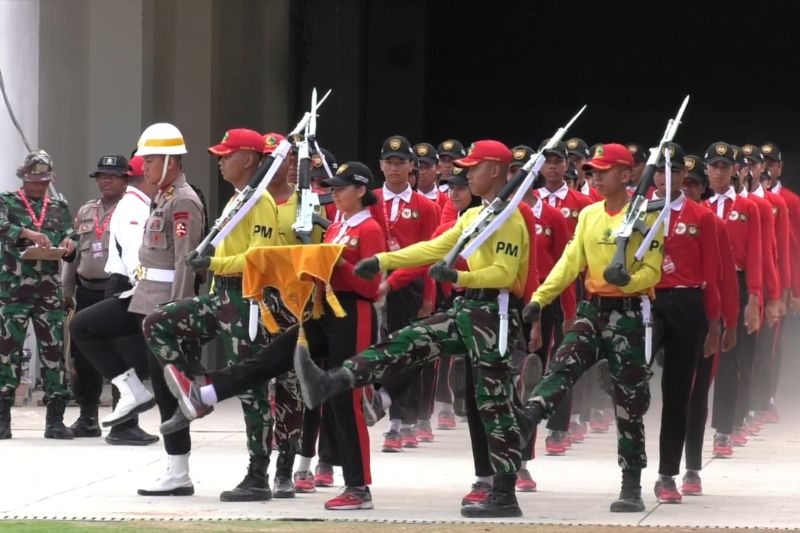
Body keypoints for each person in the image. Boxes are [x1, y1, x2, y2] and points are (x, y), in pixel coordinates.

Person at [295, 139, 532, 518]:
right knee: (408, 341)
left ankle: (504, 493)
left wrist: (458, 276)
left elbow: (504, 274)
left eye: (473, 167)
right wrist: (383, 259)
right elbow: (434, 247)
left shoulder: (509, 218)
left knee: (492, 405)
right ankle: (334, 380)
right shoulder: (475, 216)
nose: (466, 174)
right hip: (467, 310)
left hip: (494, 316)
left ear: (495, 171)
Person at [160, 161, 387, 510]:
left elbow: (370, 286)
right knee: (266, 361)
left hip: (351, 312)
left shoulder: (369, 228)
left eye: (342, 188)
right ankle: (204, 394)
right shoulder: (339, 224)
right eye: (334, 188)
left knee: (345, 399)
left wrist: (333, 262)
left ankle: (359, 487)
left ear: (361, 190)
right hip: (322, 310)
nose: (335, 194)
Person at [521, 143, 664, 513]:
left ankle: (631, 481)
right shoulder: (589, 216)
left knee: (629, 400)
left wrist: (627, 279)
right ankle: (531, 414)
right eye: (592, 171)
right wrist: (540, 298)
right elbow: (569, 263)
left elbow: (653, 271)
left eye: (603, 171)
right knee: (563, 363)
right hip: (592, 309)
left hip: (629, 315)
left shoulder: (647, 215)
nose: (595, 177)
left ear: (626, 174)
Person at [143, 128, 280, 501]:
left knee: (251, 389)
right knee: (158, 323)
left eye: (227, 155)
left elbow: (261, 259)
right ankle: (193, 388)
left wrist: (215, 261)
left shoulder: (260, 202)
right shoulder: (239, 198)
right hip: (222, 297)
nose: (220, 162)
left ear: (249, 159)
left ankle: (257, 474)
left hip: (246, 300)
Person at [648, 143, 721, 503]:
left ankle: (667, 475)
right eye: (660, 171)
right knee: (632, 378)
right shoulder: (638, 212)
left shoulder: (702, 216)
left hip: (687, 303)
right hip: (646, 300)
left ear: (683, 176)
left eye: (674, 172)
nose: (667, 178)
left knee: (678, 393)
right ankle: (631, 473)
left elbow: (712, 273)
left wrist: (715, 324)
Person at [0, 150, 76, 439]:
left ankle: (55, 420)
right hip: (13, 290)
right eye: (34, 181)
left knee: (54, 351)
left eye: (44, 182)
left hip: (48, 291)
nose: (39, 187)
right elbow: (2, 227)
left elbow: (71, 236)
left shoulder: (58, 206)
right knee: (7, 352)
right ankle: (3, 418)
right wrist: (30, 234)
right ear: (23, 178)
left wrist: (69, 244)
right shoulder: (7, 201)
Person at [61, 154, 135, 442]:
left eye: (113, 176)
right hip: (86, 288)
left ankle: (124, 419)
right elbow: (73, 253)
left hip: (115, 288)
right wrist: (67, 291)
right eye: (101, 176)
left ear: (126, 180)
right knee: (84, 356)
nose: (106, 180)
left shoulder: (131, 210)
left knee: (119, 353)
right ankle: (87, 417)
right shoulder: (86, 211)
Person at [680, 153, 739, 496]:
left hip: (702, 313)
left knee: (696, 391)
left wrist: (726, 323)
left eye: (693, 186)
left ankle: (690, 467)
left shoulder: (710, 222)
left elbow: (725, 279)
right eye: (682, 185)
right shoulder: (653, 219)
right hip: (662, 313)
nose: (688, 191)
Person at [703, 141, 762, 458]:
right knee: (699, 357)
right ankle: (694, 422)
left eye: (725, 167)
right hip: (704, 285)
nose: (719, 172)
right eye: (714, 166)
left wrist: (755, 298)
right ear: (707, 170)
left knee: (730, 357)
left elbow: (756, 255)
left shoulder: (748, 207)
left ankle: (724, 430)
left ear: (736, 170)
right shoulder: (702, 207)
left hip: (736, 285)